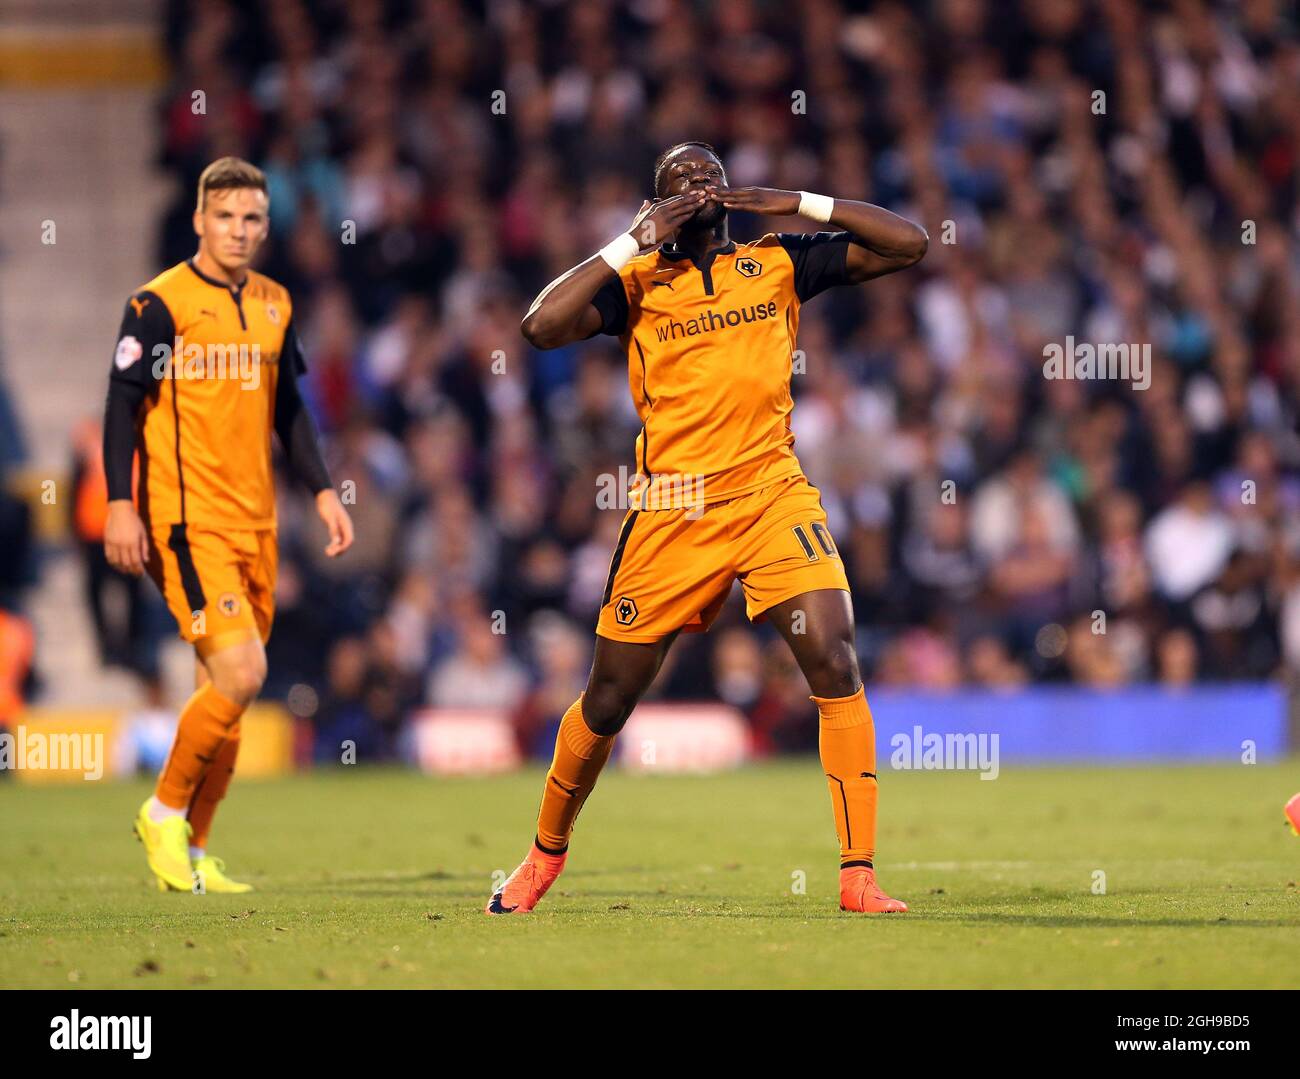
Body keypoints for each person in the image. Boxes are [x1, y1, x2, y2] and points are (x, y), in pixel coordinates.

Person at [489, 141, 927, 915]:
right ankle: (541, 858)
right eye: (680, 182)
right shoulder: (636, 284)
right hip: (673, 509)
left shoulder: (776, 260)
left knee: (834, 655)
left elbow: (910, 243)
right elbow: (538, 325)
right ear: (656, 203)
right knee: (609, 697)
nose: (700, 186)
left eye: (711, 176)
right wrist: (633, 239)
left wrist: (794, 199)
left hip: (770, 493)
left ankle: (857, 876)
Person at [102, 157, 353, 893]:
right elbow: (121, 403)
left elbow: (288, 408)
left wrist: (323, 490)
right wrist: (120, 501)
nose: (239, 231)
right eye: (226, 218)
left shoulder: (275, 302)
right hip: (187, 520)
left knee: (223, 687)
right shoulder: (159, 304)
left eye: (251, 219)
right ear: (199, 222)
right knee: (245, 673)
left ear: (264, 227)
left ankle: (195, 851)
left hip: (257, 520)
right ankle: (163, 810)